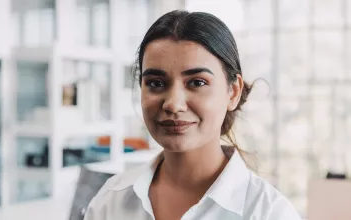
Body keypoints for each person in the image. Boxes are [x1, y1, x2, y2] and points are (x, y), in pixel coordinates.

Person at [84, 10, 302, 220]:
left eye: (197, 82)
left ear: (233, 92)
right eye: (156, 83)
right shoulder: (111, 200)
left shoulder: (269, 213)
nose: (173, 104)